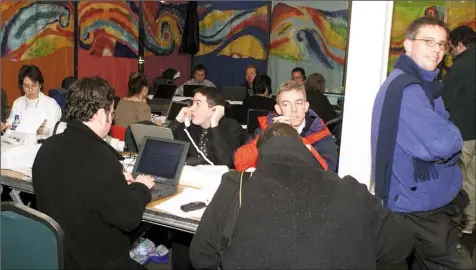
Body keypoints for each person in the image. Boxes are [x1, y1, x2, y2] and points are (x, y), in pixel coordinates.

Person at [190, 122, 414, 269]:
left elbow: (201, 256)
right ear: (305, 150)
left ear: (261, 154)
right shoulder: (352, 191)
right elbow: (401, 245)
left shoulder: (234, 187)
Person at [371, 16, 473, 269]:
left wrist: (446, 129)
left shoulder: (423, 84)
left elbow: (442, 123)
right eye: (428, 42)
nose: (437, 50)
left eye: (441, 44)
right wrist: (455, 134)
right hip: (417, 204)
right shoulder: (409, 90)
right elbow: (441, 142)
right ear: (407, 45)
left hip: (415, 196)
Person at [32, 76, 155, 269]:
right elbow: (129, 218)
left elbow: (78, 183)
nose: (112, 118)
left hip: (60, 257)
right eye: (112, 112)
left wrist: (114, 180)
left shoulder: (48, 147)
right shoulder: (101, 158)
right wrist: (141, 187)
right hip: (97, 260)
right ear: (99, 114)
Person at [234, 81, 338, 172]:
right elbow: (240, 163)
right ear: (278, 109)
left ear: (306, 107)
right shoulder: (265, 129)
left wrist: (294, 137)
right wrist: (269, 133)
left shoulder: (320, 133)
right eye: (286, 104)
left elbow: (327, 172)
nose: (294, 109)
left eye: (298, 103)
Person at [442, 25, 476, 239]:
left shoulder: (459, 67)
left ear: (460, 45)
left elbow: (445, 104)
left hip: (463, 133)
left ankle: (457, 224)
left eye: (451, 47)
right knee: (473, 180)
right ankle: (470, 224)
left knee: (459, 181)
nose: (450, 52)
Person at [169, 87, 243, 167]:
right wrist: (177, 121)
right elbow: (161, 148)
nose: (191, 108)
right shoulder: (187, 126)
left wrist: (214, 125)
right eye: (192, 103)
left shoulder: (232, 127)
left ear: (214, 110)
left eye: (198, 104)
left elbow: (226, 163)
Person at [5, 65, 61, 133]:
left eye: (34, 85)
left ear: (40, 85)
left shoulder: (51, 104)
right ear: (22, 87)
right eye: (26, 86)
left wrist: (18, 128)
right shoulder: (18, 103)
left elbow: (48, 131)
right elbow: (10, 126)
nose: (30, 90)